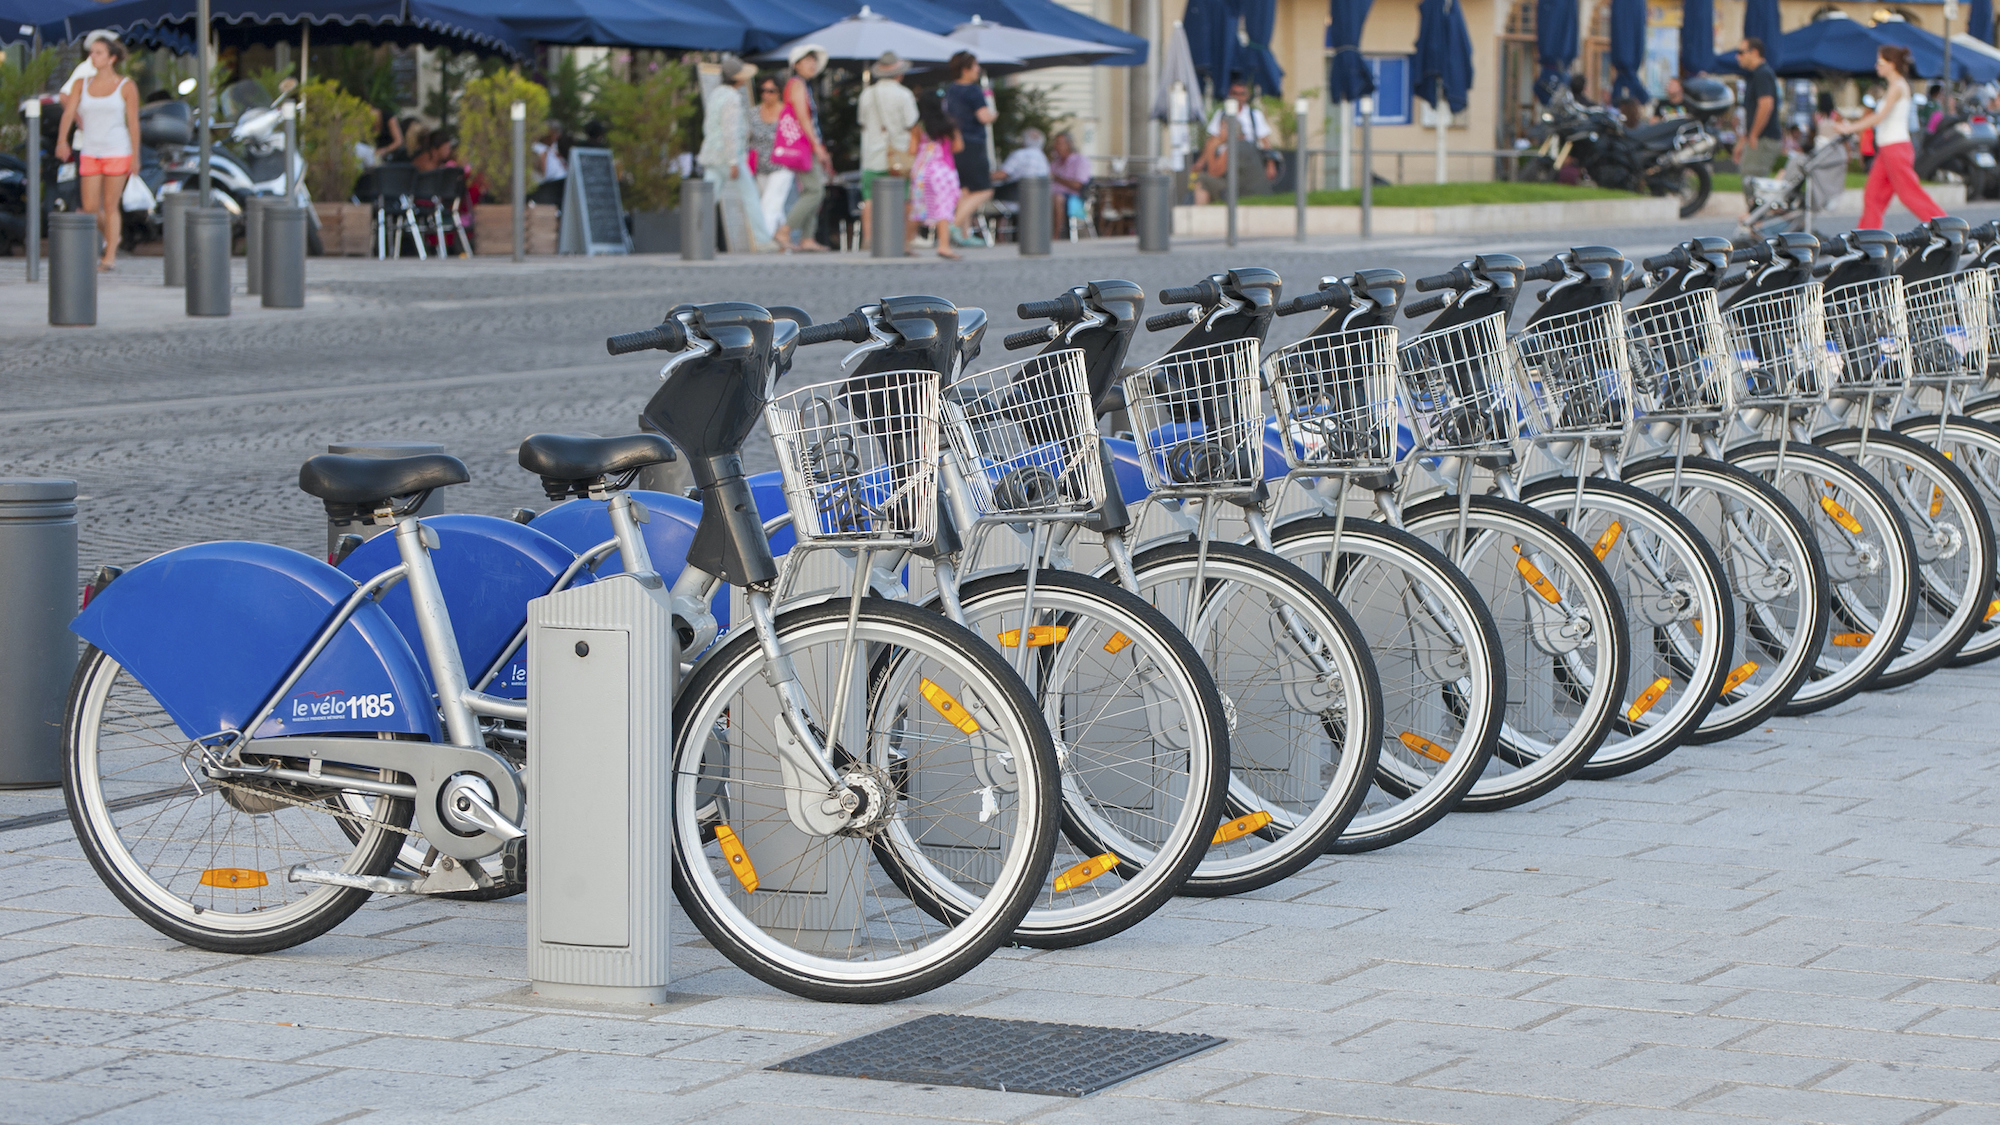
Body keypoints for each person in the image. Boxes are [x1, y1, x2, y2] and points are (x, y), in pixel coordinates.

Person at [1833, 45, 1945, 230]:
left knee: (1909, 194)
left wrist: (1849, 128)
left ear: (1891, 64)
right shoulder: (1894, 86)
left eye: (1880, 62)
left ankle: (1945, 226)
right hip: (1888, 149)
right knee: (1873, 196)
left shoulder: (1898, 86)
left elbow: (1879, 117)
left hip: (1896, 148)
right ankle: (1867, 238)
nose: (1877, 66)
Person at [53, 34, 139, 272]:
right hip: (90, 149)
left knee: (111, 206)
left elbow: (133, 123)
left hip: (117, 149)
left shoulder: (126, 86)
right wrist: (62, 140)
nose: (93, 56)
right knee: (90, 207)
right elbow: (68, 113)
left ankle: (109, 256)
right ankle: (114, 236)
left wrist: (135, 156)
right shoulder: (82, 83)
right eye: (92, 52)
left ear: (112, 58)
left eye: (99, 52)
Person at [698, 57, 774, 253]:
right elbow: (730, 130)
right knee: (750, 196)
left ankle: (697, 239)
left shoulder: (716, 94)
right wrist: (733, 160)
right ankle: (762, 240)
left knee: (708, 199)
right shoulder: (732, 98)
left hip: (712, 154)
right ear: (738, 79)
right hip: (729, 156)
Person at [857, 51, 919, 247]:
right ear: (899, 74)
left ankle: (869, 237)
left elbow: (862, 122)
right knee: (903, 197)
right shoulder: (904, 94)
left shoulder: (867, 94)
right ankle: (903, 238)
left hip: (872, 154)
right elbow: (913, 125)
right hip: (899, 155)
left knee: (869, 197)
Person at [783, 43, 833, 252]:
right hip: (804, 145)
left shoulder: (803, 85)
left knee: (814, 191)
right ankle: (785, 230)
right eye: (807, 61)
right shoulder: (797, 85)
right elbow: (803, 119)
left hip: (808, 145)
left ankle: (807, 237)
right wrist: (817, 146)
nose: (812, 65)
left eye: (813, 61)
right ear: (796, 65)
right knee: (814, 190)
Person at [943, 51, 996, 247]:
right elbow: (984, 117)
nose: (978, 69)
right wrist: (993, 113)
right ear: (966, 69)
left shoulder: (951, 90)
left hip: (955, 145)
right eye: (975, 66)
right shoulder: (973, 91)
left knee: (964, 191)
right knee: (984, 190)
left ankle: (964, 235)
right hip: (973, 143)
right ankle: (954, 225)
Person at [910, 93, 964, 260]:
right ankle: (944, 246)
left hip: (921, 171)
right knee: (943, 208)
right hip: (942, 170)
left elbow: (912, 150)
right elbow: (959, 147)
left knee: (918, 208)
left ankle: (904, 244)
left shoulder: (918, 126)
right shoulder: (949, 124)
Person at [1735, 37, 1783, 207]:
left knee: (1754, 182)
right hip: (1758, 137)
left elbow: (1766, 105)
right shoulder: (1756, 75)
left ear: (1754, 53)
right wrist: (1744, 139)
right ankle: (1756, 221)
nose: (1737, 57)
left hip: (1764, 137)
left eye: (1741, 52)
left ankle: (1759, 223)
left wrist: (1754, 135)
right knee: (1750, 179)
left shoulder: (1762, 73)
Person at [748, 75, 793, 247]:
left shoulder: (787, 112)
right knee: (775, 207)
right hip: (760, 167)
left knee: (769, 206)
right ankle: (783, 241)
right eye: (763, 91)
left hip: (782, 166)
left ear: (779, 92)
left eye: (771, 91)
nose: (766, 95)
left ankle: (762, 243)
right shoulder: (753, 113)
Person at [1048, 130, 1091, 227]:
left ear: (1068, 144)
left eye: (1058, 143)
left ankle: (1055, 236)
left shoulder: (1080, 161)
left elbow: (1078, 185)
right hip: (1051, 195)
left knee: (1058, 198)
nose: (1055, 146)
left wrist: (1056, 178)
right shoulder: (1055, 163)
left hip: (1074, 198)